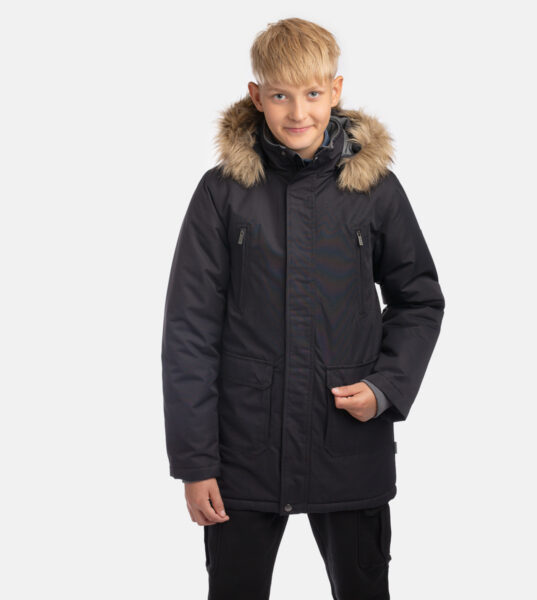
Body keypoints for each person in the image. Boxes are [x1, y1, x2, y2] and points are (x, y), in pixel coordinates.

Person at [161, 17, 445, 600]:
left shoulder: (374, 190)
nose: (298, 112)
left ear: (335, 91)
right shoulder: (222, 192)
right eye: (280, 95)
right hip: (243, 452)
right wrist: (196, 462)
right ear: (256, 96)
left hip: (348, 443)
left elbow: (418, 298)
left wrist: (386, 387)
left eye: (313, 93)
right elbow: (189, 330)